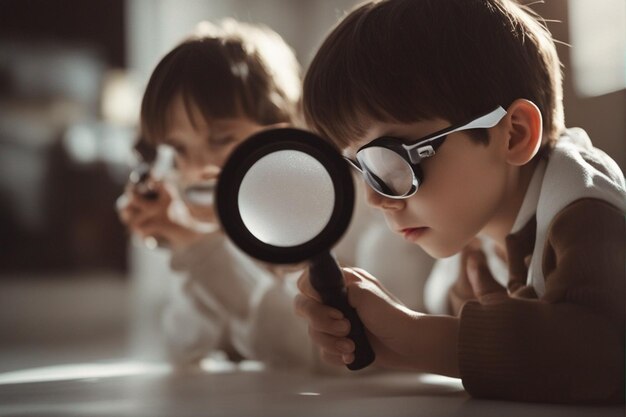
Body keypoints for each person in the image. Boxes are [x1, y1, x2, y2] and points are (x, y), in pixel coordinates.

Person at [294, 0, 625, 403]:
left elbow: (604, 353)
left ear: (513, 135)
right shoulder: (477, 230)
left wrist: (417, 335)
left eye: (389, 160)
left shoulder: (586, 211)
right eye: (361, 168)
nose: (375, 198)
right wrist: (388, 343)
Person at [118, 18, 433, 371]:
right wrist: (188, 241)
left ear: (287, 127)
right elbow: (185, 344)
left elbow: (330, 354)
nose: (199, 169)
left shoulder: (364, 210)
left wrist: (202, 251)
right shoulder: (237, 222)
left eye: (222, 141)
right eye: (179, 150)